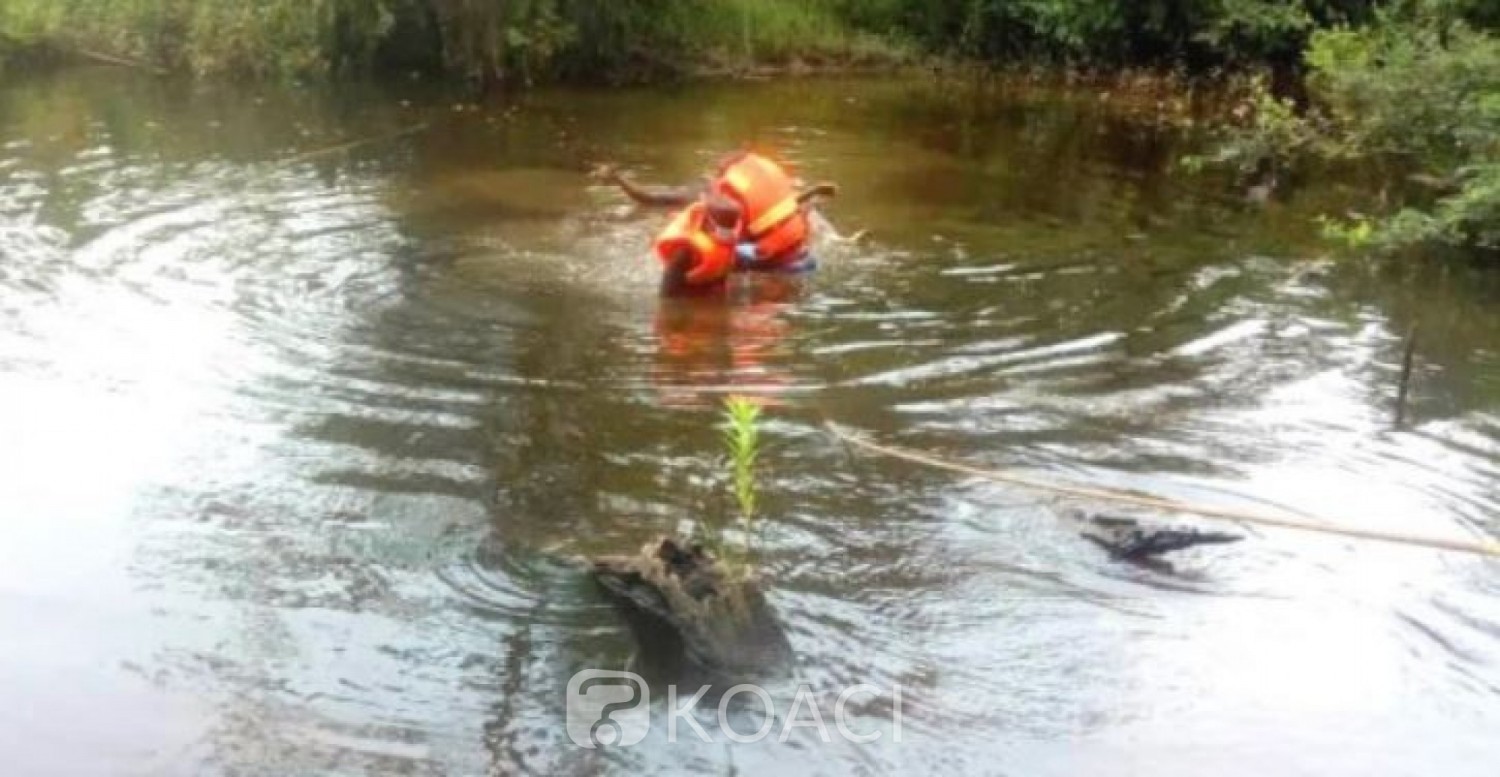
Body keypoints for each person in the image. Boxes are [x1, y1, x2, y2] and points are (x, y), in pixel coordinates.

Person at [595, 151, 837, 293]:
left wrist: (618, 180)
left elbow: (650, 198)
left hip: (766, 261)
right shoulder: (768, 181)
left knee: (705, 251)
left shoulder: (721, 195)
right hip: (803, 261)